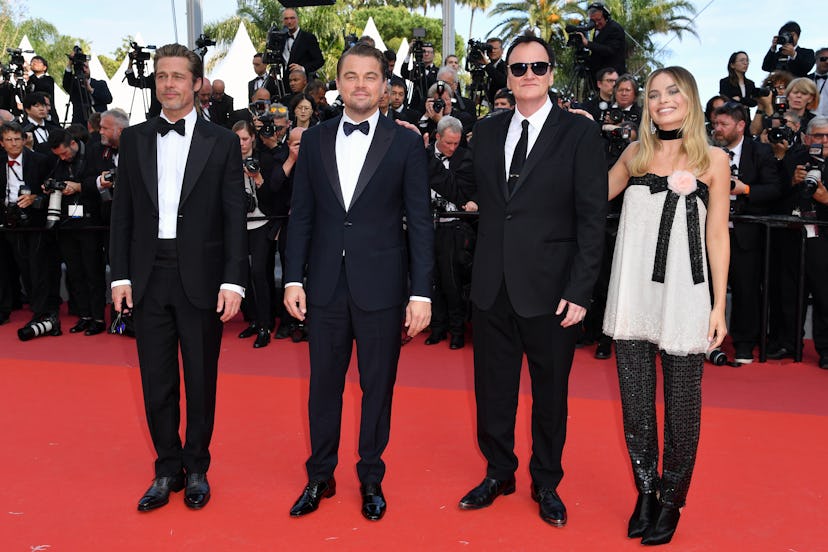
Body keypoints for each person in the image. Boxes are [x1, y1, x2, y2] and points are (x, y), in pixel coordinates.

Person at [458, 36, 607, 527]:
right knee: (493, 390)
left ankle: (546, 481)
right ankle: (499, 471)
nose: (527, 74)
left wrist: (580, 289)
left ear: (551, 73)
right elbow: (461, 185)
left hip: (552, 290)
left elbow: (591, 218)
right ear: (508, 75)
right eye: (519, 67)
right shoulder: (486, 129)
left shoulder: (579, 134)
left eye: (537, 66)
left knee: (550, 395)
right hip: (492, 285)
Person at [284, 43, 433, 521]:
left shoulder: (407, 142)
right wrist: (291, 278)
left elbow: (420, 221)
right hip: (324, 284)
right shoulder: (316, 139)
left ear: (386, 85)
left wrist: (421, 290)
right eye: (351, 76)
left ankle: (371, 476)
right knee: (323, 387)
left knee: (377, 387)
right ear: (337, 84)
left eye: (371, 76)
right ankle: (320, 476)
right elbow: (301, 215)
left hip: (383, 287)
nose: (361, 85)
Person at [109, 43, 247, 512]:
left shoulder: (223, 142)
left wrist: (234, 281)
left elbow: (234, 218)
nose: (169, 84)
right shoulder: (134, 139)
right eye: (162, 76)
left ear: (196, 84)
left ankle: (198, 466)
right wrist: (119, 276)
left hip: (203, 278)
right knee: (156, 380)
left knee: (201, 378)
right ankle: (167, 468)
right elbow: (122, 217)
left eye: (178, 76)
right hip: (148, 276)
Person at [604, 66, 730, 545]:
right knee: (635, 404)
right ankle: (644, 490)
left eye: (672, 91)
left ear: (691, 99)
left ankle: (672, 499)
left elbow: (717, 235)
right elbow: (592, 196)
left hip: (686, 295)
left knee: (683, 408)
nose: (662, 101)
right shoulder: (635, 153)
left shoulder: (714, 160)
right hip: (634, 292)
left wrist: (718, 307)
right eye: (654, 94)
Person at [711, 102, 782, 364]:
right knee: (706, 288)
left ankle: (743, 343)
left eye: (724, 124)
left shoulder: (760, 152)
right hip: (711, 232)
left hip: (746, 234)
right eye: (716, 124)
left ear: (741, 126)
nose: (717, 129)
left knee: (746, 289)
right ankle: (706, 341)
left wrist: (746, 190)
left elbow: (774, 189)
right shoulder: (708, 151)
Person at [47, 128, 107, 336]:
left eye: (64, 153)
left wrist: (78, 187)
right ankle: (84, 315)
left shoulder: (93, 153)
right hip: (67, 224)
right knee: (75, 273)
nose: (63, 158)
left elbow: (102, 182)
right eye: (59, 156)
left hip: (91, 223)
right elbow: (53, 179)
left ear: (73, 143)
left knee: (93, 272)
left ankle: (98, 318)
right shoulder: (58, 162)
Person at [233, 120, 278, 348]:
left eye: (245, 138)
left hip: (262, 223)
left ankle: (265, 324)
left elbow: (275, 193)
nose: (241, 143)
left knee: (260, 273)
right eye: (237, 139)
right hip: (239, 225)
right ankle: (253, 319)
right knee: (244, 274)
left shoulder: (266, 160)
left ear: (252, 138)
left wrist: (257, 178)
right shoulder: (228, 162)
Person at [577, 3, 627, 81]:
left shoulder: (614, 28)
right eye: (593, 21)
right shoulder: (597, 31)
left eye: (599, 20)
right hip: (598, 78)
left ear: (606, 16)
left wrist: (588, 43)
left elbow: (610, 50)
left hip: (613, 79)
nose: (596, 23)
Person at [62, 57, 112, 125]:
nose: (84, 70)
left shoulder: (100, 83)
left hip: (99, 123)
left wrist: (91, 90)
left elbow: (108, 99)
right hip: (80, 125)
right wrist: (70, 63)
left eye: (86, 67)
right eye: (81, 68)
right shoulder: (74, 86)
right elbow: (66, 83)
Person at [281, 8, 325, 81]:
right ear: (283, 21)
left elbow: (320, 61)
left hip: (304, 83)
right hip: (285, 84)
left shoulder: (308, 38)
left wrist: (302, 68)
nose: (289, 21)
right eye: (286, 19)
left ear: (297, 19)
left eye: (292, 18)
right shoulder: (281, 38)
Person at [808, 48, 828, 117]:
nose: (827, 62)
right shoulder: (806, 80)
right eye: (823, 59)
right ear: (816, 60)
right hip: (809, 121)